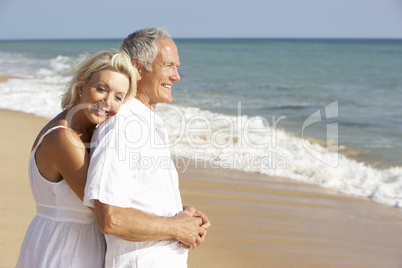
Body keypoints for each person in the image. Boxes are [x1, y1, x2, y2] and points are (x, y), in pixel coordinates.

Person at [84, 28, 211, 267]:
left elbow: (138, 199)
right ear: (137, 69)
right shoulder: (122, 127)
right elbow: (110, 218)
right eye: (169, 65)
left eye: (177, 67)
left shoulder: (147, 124)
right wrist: (176, 227)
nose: (176, 76)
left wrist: (181, 214)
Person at [16, 50, 138, 268]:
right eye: (101, 89)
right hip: (64, 247)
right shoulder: (64, 138)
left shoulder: (92, 133)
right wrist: (174, 224)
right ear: (81, 87)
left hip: (78, 242)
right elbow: (107, 210)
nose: (107, 101)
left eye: (118, 97)